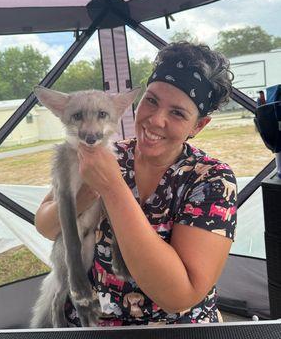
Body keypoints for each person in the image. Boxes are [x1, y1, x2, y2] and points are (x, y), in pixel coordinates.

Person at [35, 41, 237, 326]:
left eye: (177, 113)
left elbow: (181, 294)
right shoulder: (106, 153)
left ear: (198, 126)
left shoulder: (212, 180)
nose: (155, 120)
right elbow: (45, 225)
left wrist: (112, 188)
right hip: (88, 323)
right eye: (151, 100)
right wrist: (84, 194)